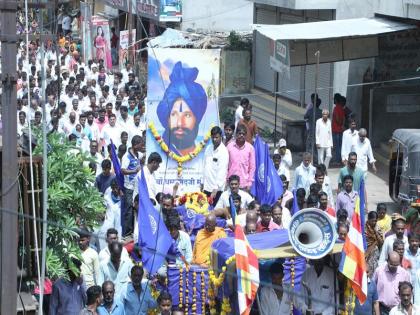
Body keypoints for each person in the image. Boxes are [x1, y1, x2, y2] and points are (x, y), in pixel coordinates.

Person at [156, 62, 208, 156]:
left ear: (197, 118)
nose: (180, 123)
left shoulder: (205, 154)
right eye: (174, 114)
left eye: (187, 115)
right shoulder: (156, 150)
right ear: (167, 118)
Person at [121, 135, 143, 235]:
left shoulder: (137, 154)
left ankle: (134, 231)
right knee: (129, 210)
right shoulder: (127, 156)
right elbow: (123, 170)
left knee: (136, 208)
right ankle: (127, 233)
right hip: (129, 187)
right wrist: (134, 170)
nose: (141, 146)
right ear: (135, 145)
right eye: (140, 145)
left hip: (136, 186)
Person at [202, 126, 229, 206]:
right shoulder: (208, 148)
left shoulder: (223, 152)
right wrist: (202, 183)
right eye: (213, 137)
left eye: (217, 137)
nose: (214, 140)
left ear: (221, 137)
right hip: (206, 186)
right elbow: (204, 166)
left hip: (216, 190)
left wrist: (215, 188)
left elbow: (222, 172)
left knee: (213, 214)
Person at [227, 124, 256, 191]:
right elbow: (225, 165)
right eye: (239, 133)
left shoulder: (250, 148)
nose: (241, 135)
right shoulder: (229, 146)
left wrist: (249, 183)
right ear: (236, 134)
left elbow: (252, 167)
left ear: (246, 135)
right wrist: (226, 180)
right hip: (231, 183)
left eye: (243, 134)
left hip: (244, 184)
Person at [332, 95, 346, 163]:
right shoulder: (342, 108)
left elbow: (337, 119)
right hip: (340, 130)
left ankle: (337, 160)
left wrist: (339, 124)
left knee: (337, 146)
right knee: (340, 145)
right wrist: (342, 125)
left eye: (334, 99)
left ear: (336, 100)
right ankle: (340, 159)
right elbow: (343, 118)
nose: (333, 101)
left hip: (336, 130)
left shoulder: (336, 108)